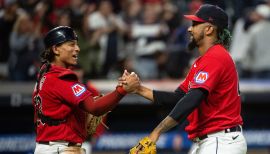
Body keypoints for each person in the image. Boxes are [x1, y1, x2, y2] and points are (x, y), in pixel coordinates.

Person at [125, 4, 247, 154]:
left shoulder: (216, 57)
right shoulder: (203, 61)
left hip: (220, 140)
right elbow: (178, 98)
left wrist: (156, 133)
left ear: (209, 29)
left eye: (195, 24)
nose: (190, 29)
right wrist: (138, 89)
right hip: (210, 141)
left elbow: (192, 100)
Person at [32, 26, 139, 154]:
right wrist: (122, 90)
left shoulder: (44, 75)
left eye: (76, 44)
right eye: (71, 45)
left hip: (46, 146)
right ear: (56, 49)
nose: (77, 49)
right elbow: (95, 108)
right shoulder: (61, 78)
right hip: (59, 148)